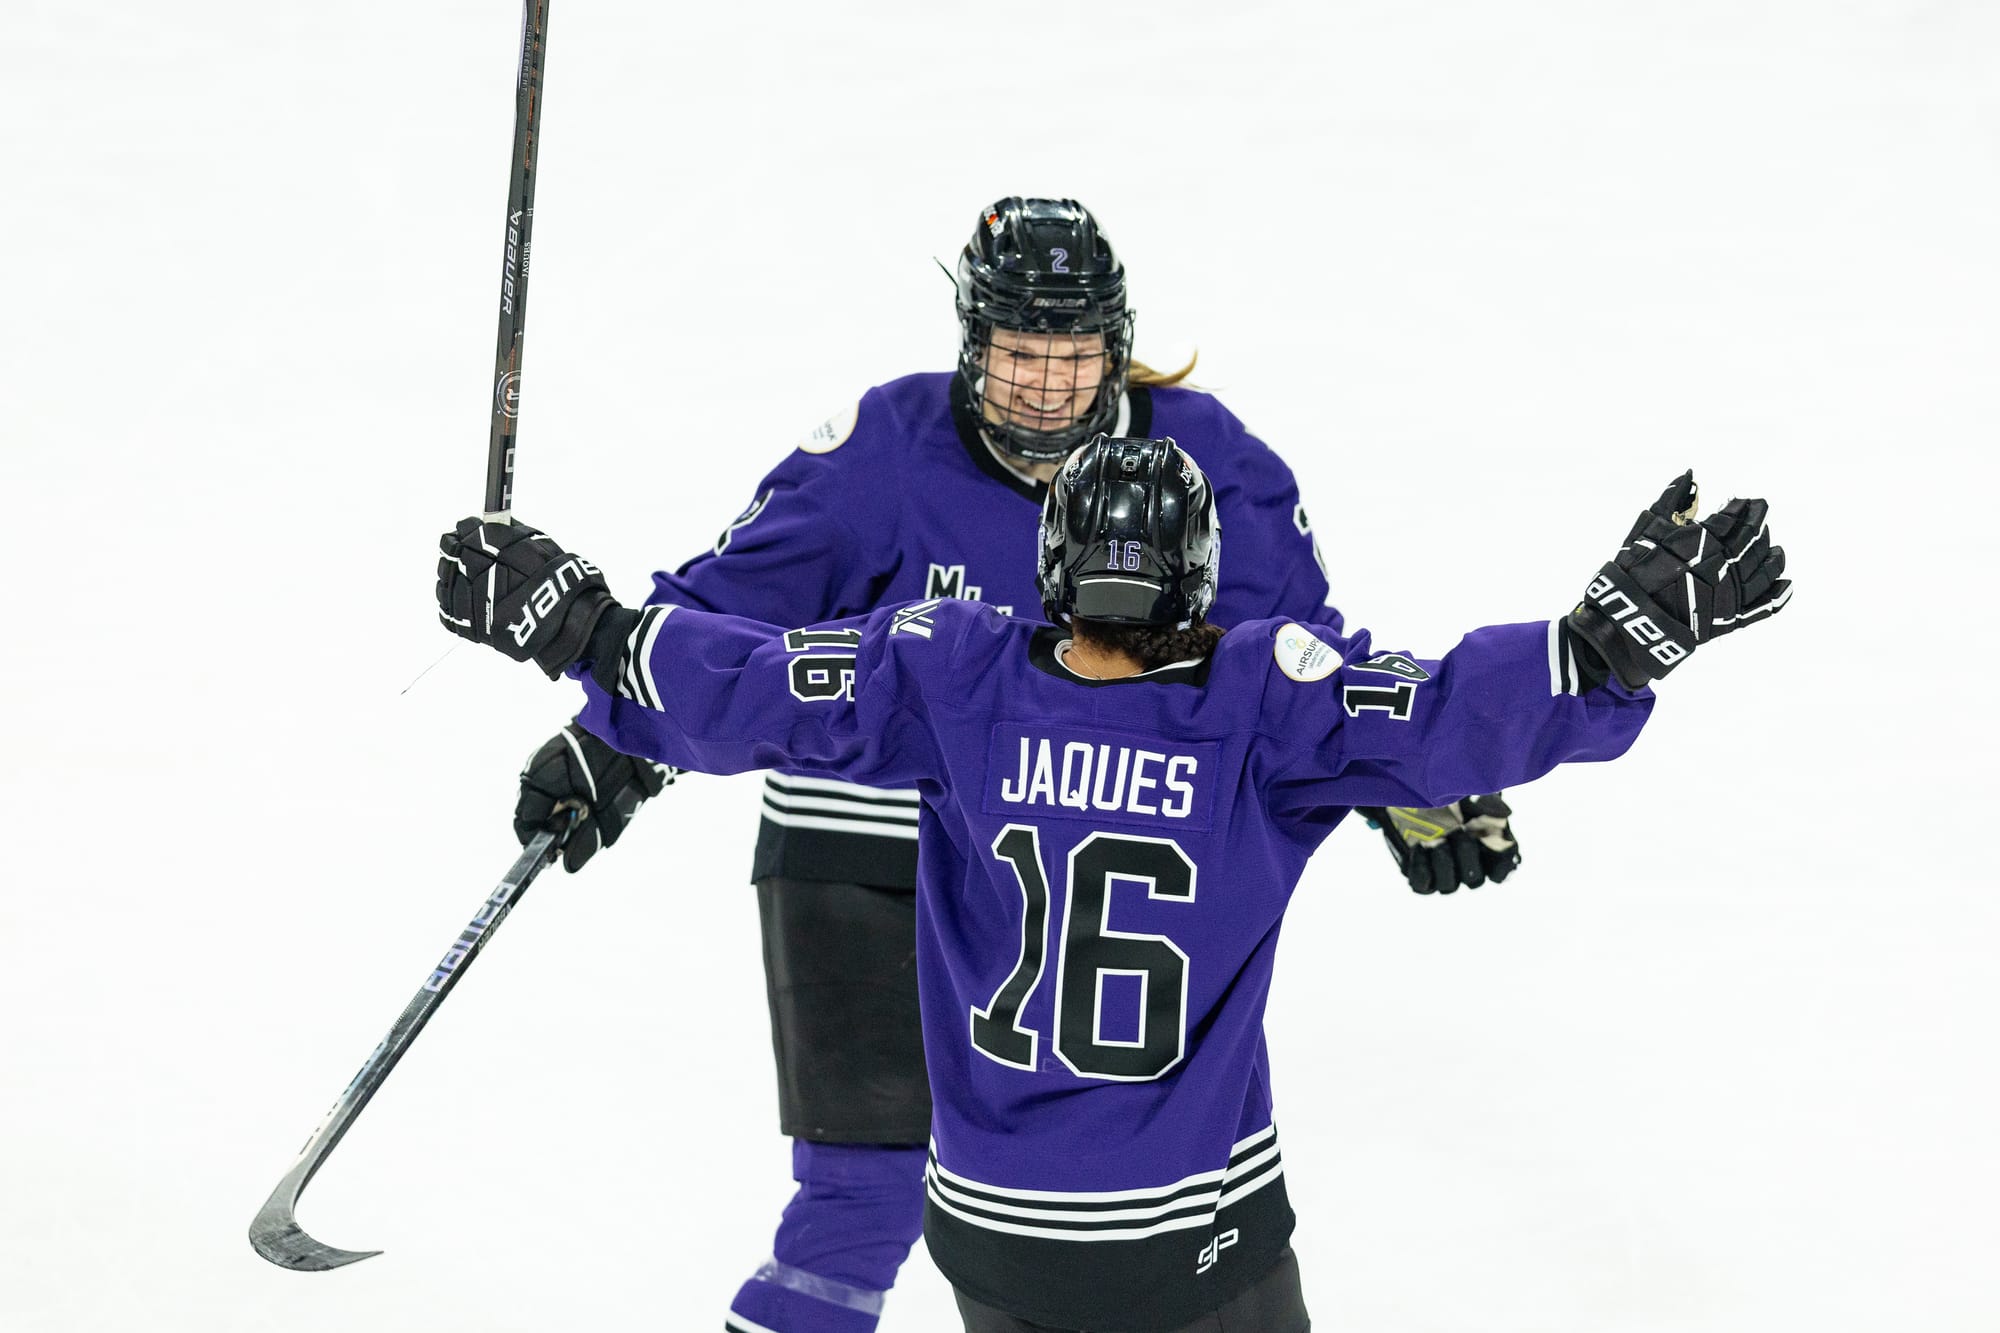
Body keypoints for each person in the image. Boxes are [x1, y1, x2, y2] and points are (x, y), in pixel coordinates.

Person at [434, 436, 1790, 1330]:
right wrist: (1602, 648)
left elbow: (753, 690)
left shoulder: (948, 669)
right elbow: (1443, 715)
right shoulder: (1266, 702)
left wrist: (588, 630)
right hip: (1189, 1241)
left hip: (994, 1238)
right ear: (1198, 576)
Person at [502, 198, 1524, 1333]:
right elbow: (721, 621)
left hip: (1086, 846)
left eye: (1071, 356)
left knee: (1144, 1200)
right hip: (859, 846)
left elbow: (1301, 673)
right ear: (969, 343)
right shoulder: (880, 451)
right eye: (1016, 356)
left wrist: (1402, 789)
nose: (1042, 386)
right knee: (861, 1194)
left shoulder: (1208, 463)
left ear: (1115, 344)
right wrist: (615, 736)